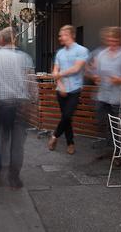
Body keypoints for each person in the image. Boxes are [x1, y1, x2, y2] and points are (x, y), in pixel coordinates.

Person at [0, 27, 34, 188]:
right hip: (19, 104)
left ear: (2, 40)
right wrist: (33, 101)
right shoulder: (24, 58)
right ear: (15, 40)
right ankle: (14, 176)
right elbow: (31, 83)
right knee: (17, 142)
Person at [92, 27, 121, 148]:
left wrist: (120, 80)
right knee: (102, 121)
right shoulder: (101, 54)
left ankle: (117, 150)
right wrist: (96, 77)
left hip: (117, 95)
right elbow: (97, 72)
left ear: (119, 40)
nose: (111, 43)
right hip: (102, 95)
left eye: (114, 41)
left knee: (115, 123)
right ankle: (112, 144)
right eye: (109, 40)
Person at [47, 25, 89, 155]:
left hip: (75, 89)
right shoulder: (59, 53)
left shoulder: (82, 50)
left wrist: (60, 74)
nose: (60, 37)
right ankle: (70, 143)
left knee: (67, 115)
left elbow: (76, 68)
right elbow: (55, 71)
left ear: (71, 35)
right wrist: (61, 84)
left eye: (62, 35)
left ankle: (54, 136)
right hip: (61, 90)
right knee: (67, 118)